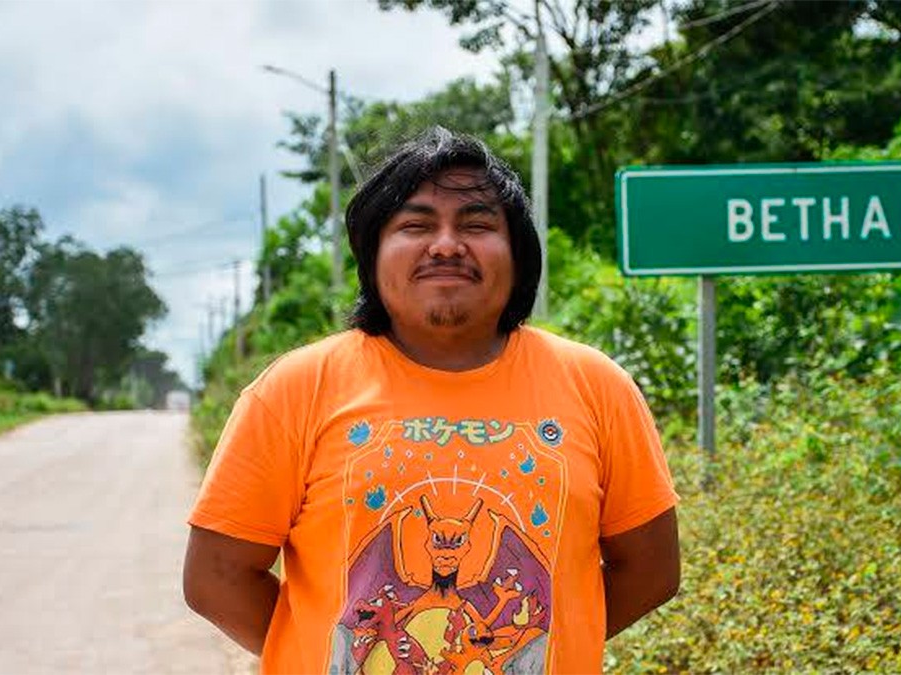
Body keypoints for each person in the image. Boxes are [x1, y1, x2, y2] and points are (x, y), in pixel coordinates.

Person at [183, 127, 679, 675]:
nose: (446, 244)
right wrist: (322, 647)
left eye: (477, 224)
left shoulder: (596, 386)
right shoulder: (295, 389)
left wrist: (531, 641)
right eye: (416, 225)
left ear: (518, 255)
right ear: (373, 255)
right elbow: (217, 578)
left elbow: (651, 569)